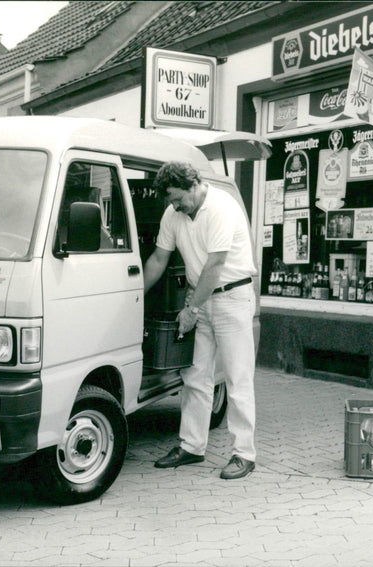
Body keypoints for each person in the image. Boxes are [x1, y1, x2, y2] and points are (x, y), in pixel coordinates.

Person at [143, 161, 258, 480]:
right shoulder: (174, 214)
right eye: (170, 200)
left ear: (193, 185)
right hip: (200, 296)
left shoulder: (222, 207)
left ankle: (244, 454)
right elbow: (159, 258)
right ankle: (192, 446)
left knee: (237, 377)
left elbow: (215, 265)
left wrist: (191, 310)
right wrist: (135, 295)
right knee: (194, 375)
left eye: (178, 198)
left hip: (232, 296)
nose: (175, 205)